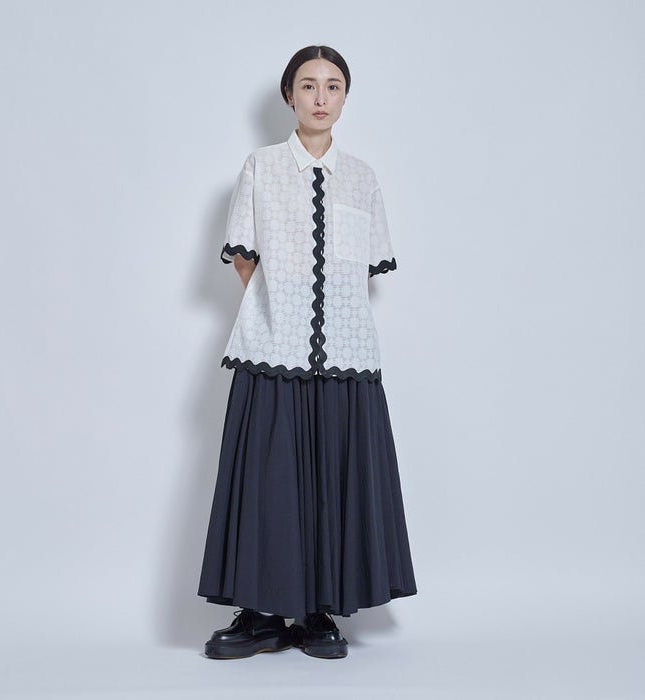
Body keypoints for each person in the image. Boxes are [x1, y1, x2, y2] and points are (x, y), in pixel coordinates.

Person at [197, 45, 417, 660]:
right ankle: (260, 614)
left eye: (333, 86)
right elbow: (245, 258)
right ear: (289, 95)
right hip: (273, 348)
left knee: (333, 481)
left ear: (345, 98)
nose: (321, 97)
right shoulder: (261, 167)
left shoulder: (363, 177)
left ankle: (320, 611)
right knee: (267, 480)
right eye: (309, 85)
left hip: (346, 355)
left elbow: (362, 268)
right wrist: (283, 313)